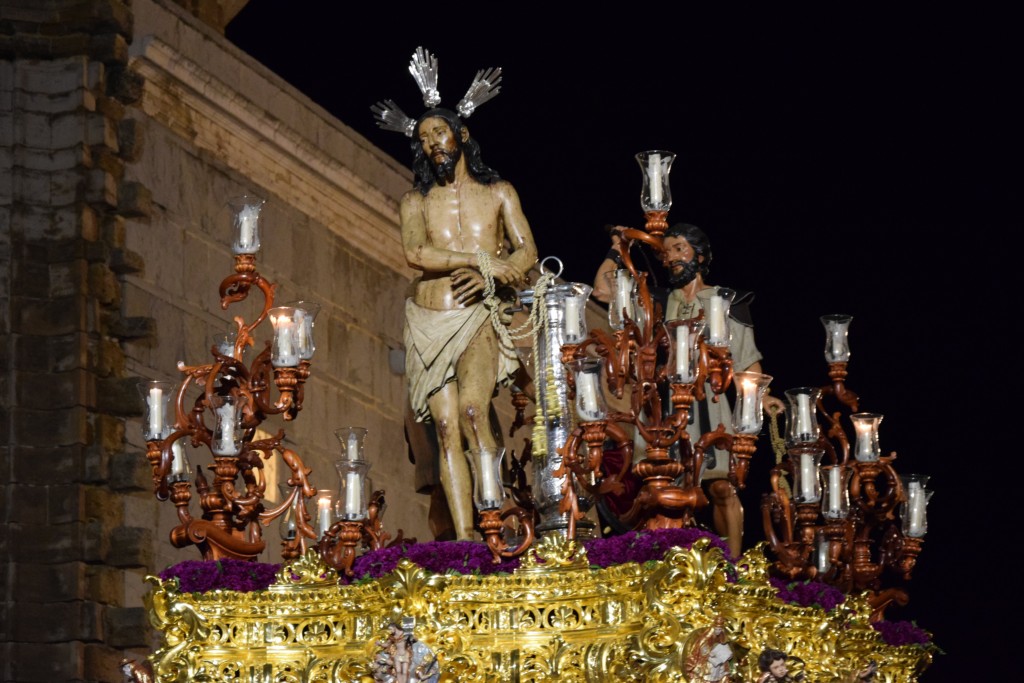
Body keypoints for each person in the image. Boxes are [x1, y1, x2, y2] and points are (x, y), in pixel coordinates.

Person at [592, 222, 783, 558]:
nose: (672, 258)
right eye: (666, 252)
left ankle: (733, 566)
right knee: (667, 488)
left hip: (708, 403)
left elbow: (745, 363)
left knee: (722, 485)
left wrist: (761, 396)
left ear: (701, 255)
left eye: (680, 248)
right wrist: (617, 249)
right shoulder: (658, 301)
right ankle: (675, 560)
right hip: (663, 408)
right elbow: (604, 292)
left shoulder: (725, 301)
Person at [400, 107, 538, 540]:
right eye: (424, 138)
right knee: (444, 429)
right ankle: (464, 537)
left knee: (474, 412)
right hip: (430, 317)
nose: (432, 144)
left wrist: (492, 273)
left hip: (479, 313)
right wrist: (479, 261)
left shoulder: (498, 192)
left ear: (460, 133)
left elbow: (526, 252)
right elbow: (416, 254)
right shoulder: (415, 201)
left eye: (439, 132)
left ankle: (492, 520)